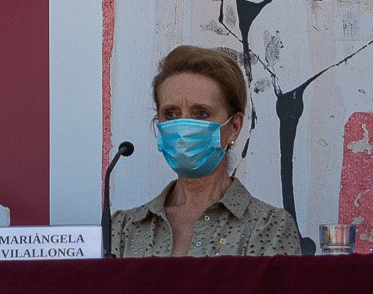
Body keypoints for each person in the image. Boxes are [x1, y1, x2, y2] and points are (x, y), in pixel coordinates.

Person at [110, 46, 302, 258]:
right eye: (171, 113)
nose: (183, 127)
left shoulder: (269, 226)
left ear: (235, 126)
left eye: (201, 113)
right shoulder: (123, 228)